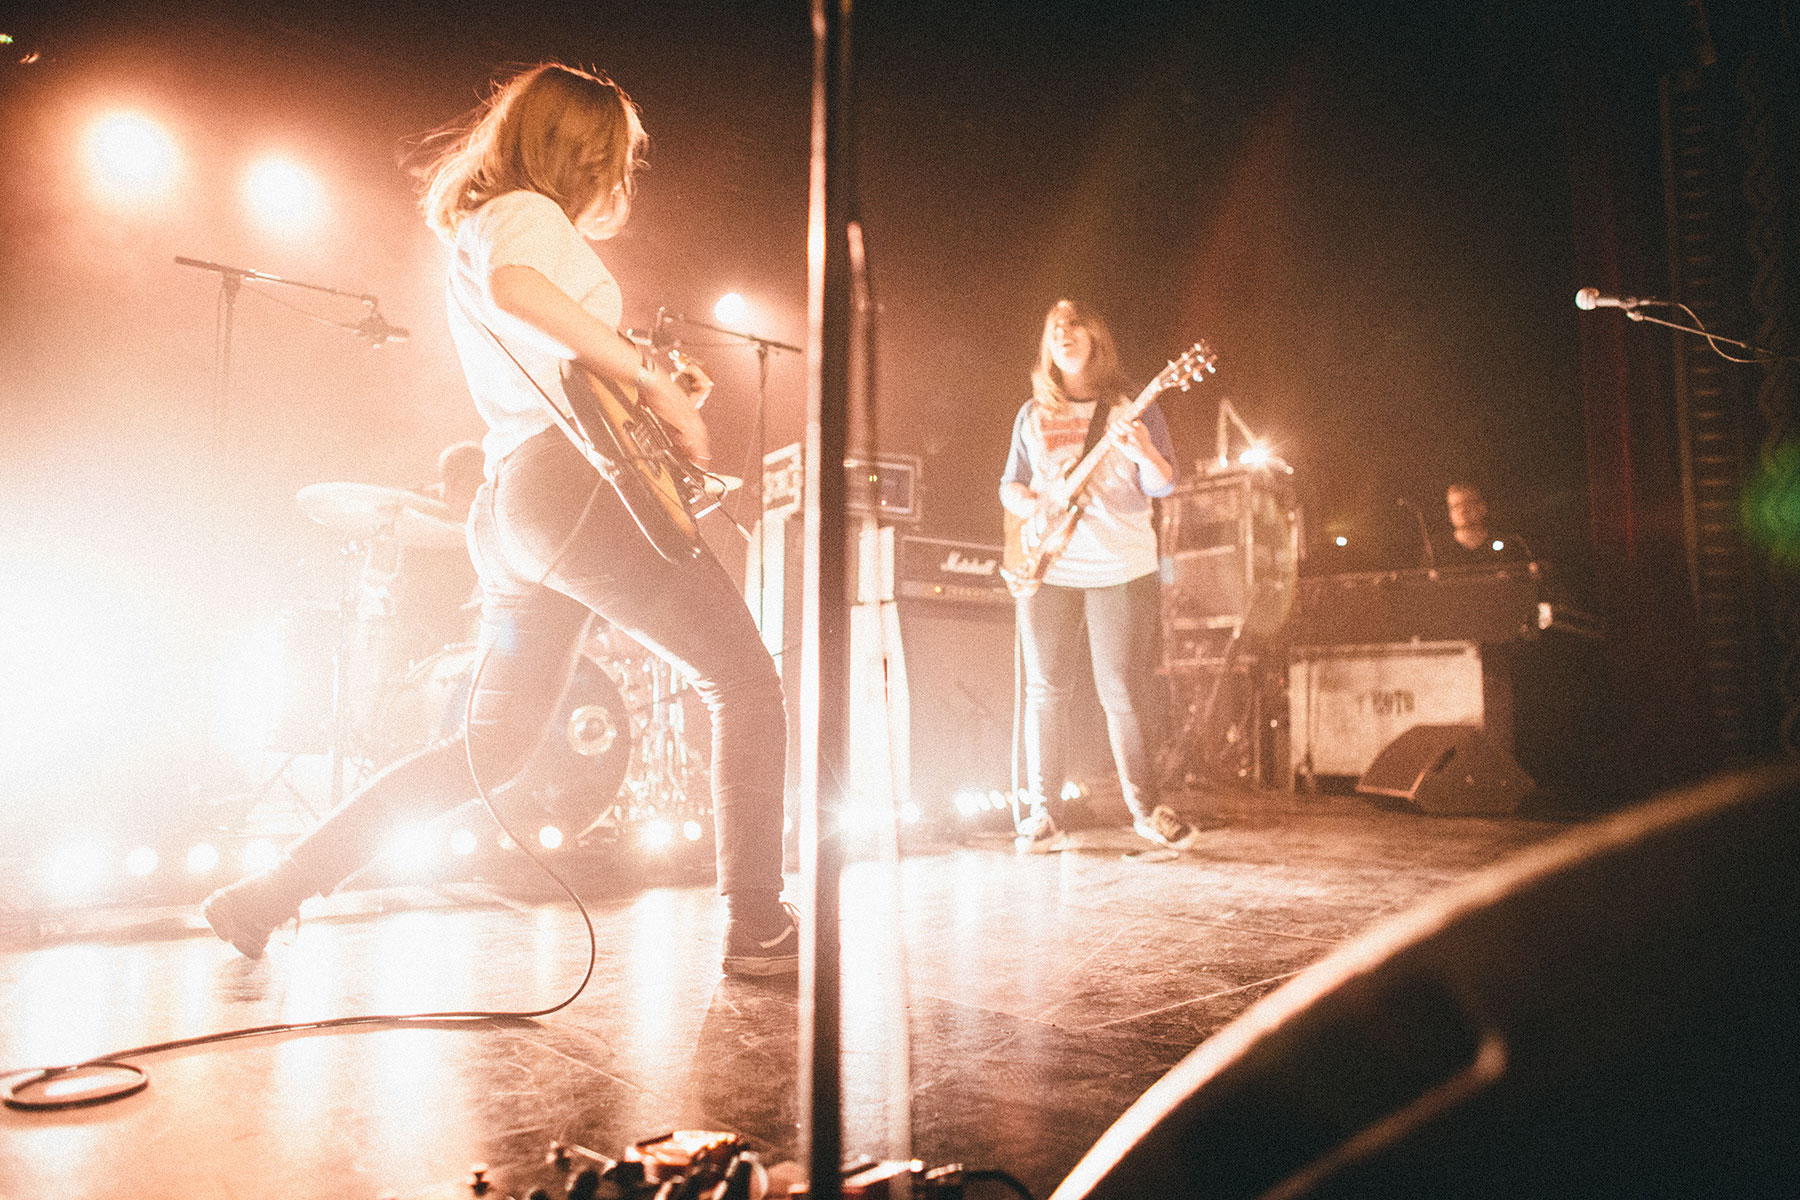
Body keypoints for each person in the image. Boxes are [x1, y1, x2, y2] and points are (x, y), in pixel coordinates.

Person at [203, 63, 797, 976]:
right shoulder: (526, 215)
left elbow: (551, 355)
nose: (622, 181)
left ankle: (267, 895)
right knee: (745, 683)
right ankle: (757, 925)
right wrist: (651, 384)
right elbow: (524, 293)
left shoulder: (488, 223)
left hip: (515, 503)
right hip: (566, 492)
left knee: (488, 751)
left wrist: (643, 375)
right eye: (617, 159)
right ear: (580, 150)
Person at [999, 299, 1199, 853]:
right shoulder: (1031, 415)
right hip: (1049, 565)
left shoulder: (1131, 409)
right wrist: (1031, 500)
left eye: (1074, 322)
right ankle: (1044, 815)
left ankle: (1146, 808)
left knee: (1121, 691)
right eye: (1054, 326)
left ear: (1095, 337)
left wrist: (1145, 454)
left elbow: (1163, 484)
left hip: (1120, 566)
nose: (1063, 331)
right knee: (1046, 692)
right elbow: (1008, 486)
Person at [1440, 482, 1529, 566]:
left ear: (1482, 507)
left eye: (1467, 504)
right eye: (1455, 506)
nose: (1462, 510)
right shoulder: (1440, 551)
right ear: (1449, 513)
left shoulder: (1510, 545)